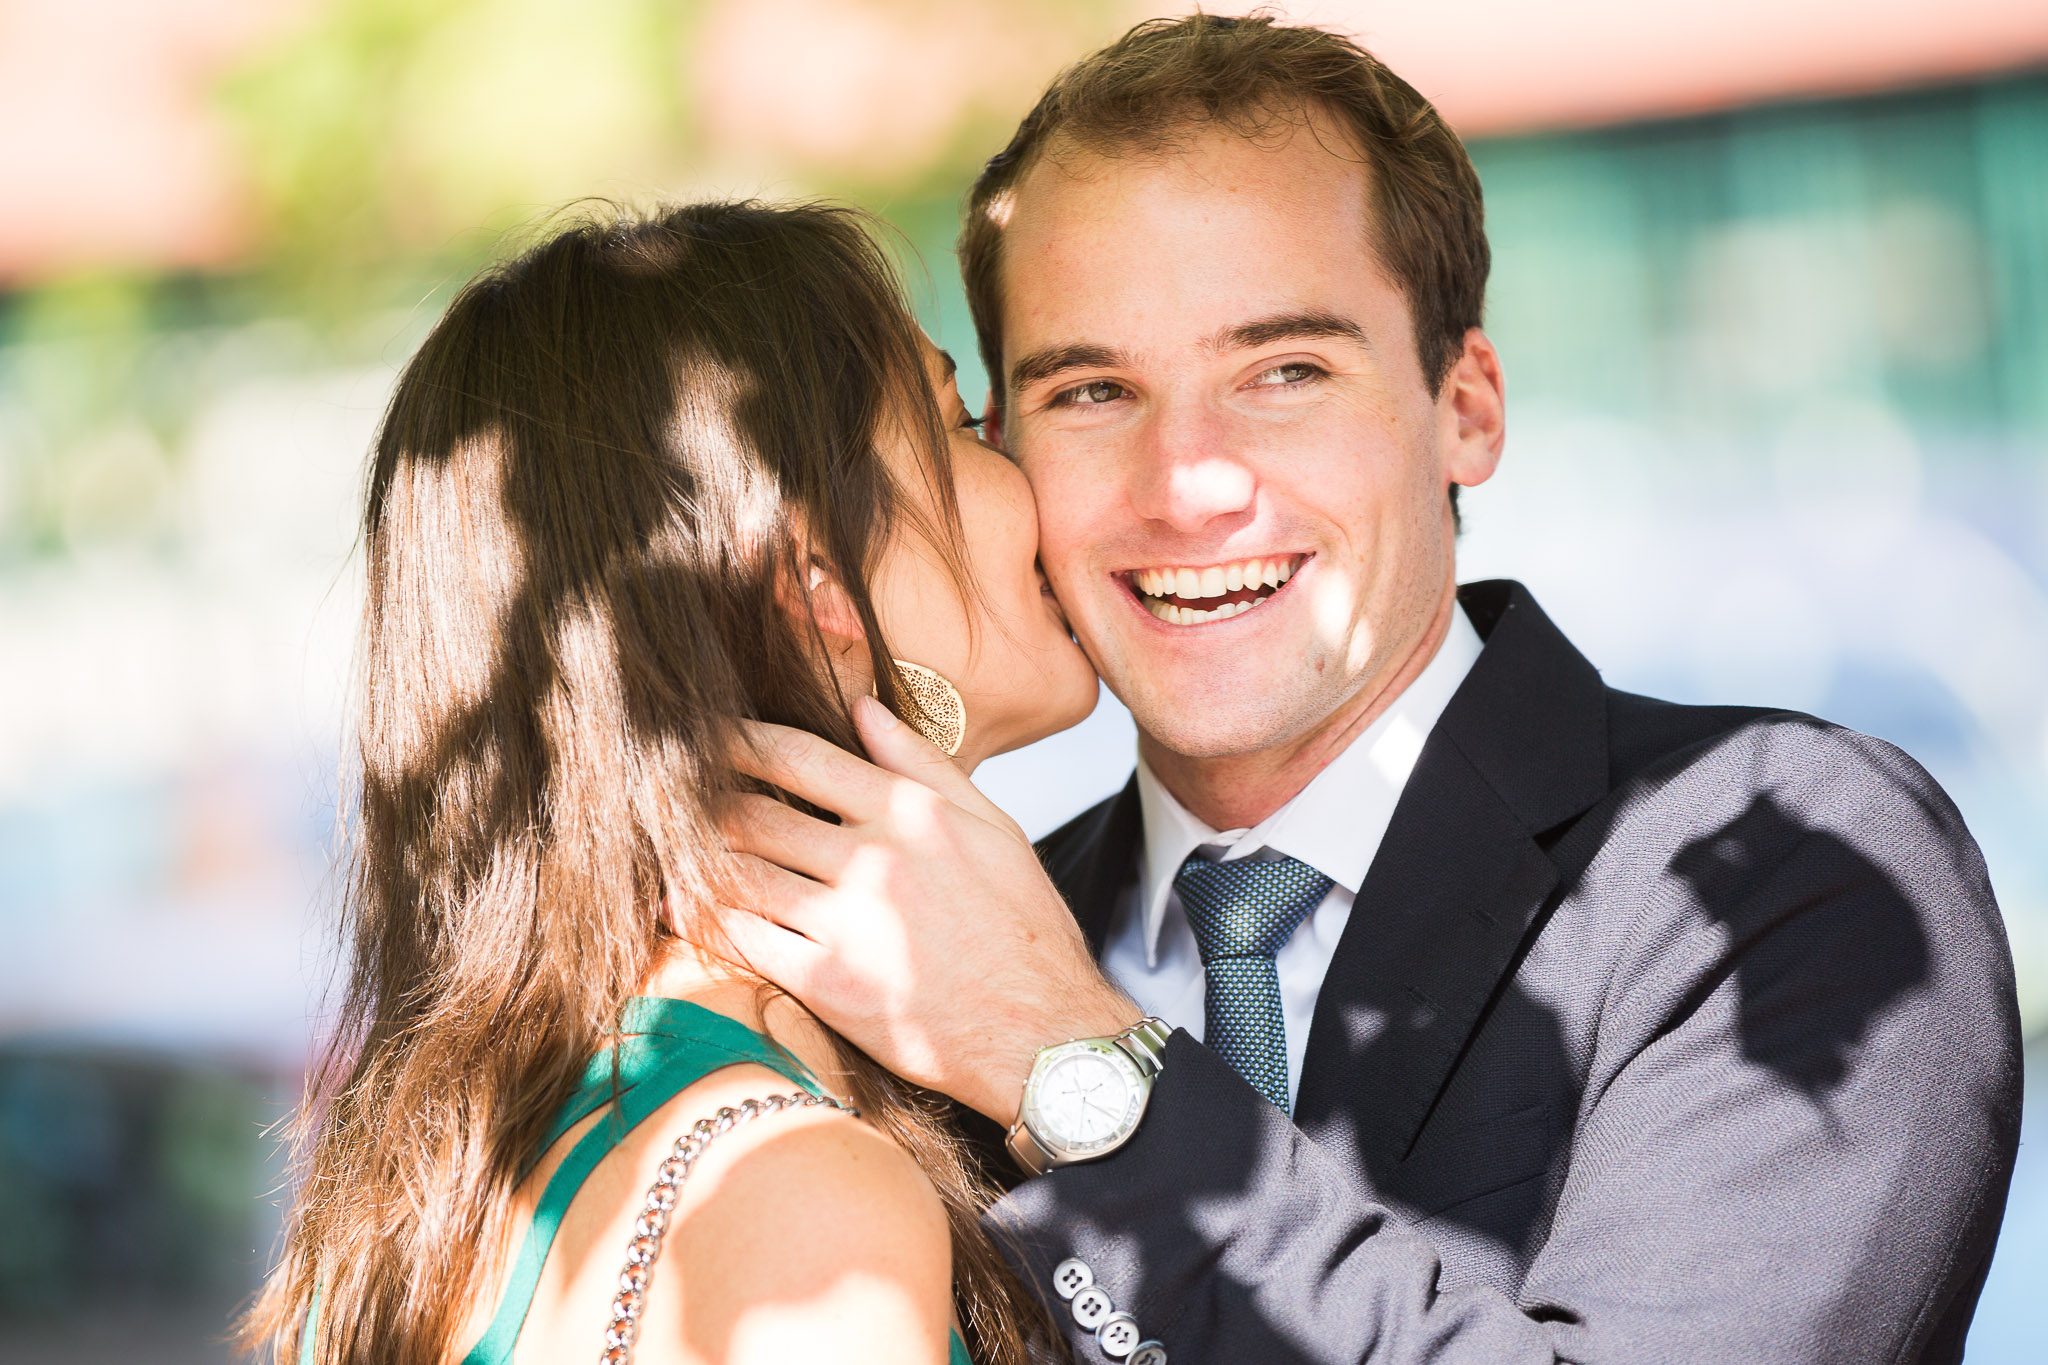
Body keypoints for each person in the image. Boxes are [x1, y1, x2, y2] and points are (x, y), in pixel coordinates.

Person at [720, 16, 2024, 1363]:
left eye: (1284, 373)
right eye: (1093, 391)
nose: (1188, 486)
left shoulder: (1784, 866)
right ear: (1001, 449)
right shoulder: (930, 960)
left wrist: (1077, 1066)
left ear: (1466, 406)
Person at [243, 200, 1101, 1364]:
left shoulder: (463, 1158)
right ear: (813, 577)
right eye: (955, 423)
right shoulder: (795, 1202)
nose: (1027, 469)